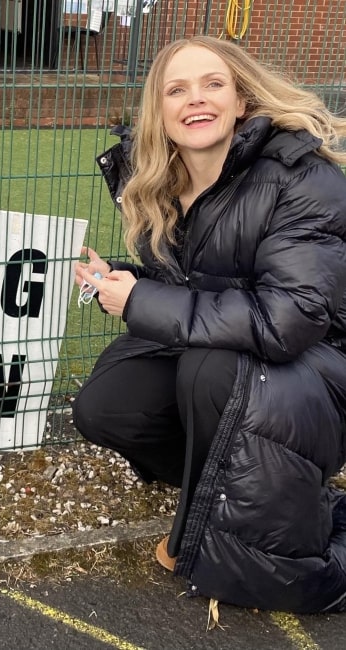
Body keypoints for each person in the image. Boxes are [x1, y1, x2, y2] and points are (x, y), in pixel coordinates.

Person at [73, 35, 346, 614]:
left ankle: (212, 520)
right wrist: (123, 283)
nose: (195, 99)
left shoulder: (299, 175)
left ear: (242, 100)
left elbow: (287, 319)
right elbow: (198, 285)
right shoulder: (166, 180)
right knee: (105, 405)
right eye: (177, 89)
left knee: (210, 368)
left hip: (320, 365)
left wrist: (142, 303)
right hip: (240, 351)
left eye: (213, 84)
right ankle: (233, 490)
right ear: (161, 112)